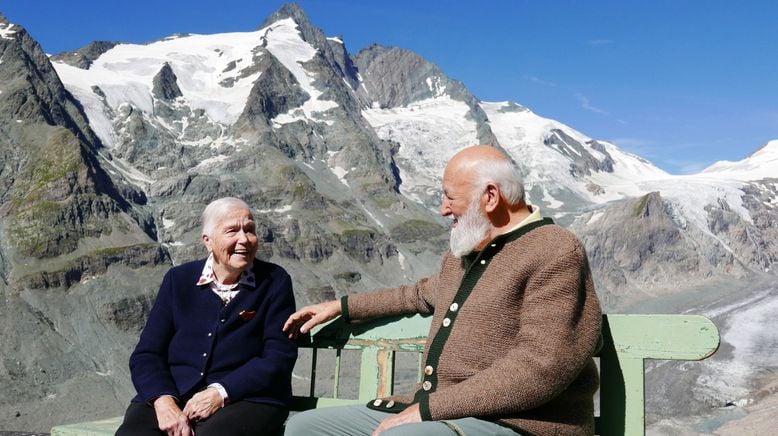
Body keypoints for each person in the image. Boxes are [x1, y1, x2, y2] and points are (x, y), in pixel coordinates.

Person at [283, 145, 602, 436]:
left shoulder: (555, 249)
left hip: (520, 424)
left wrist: (428, 410)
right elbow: (417, 295)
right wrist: (340, 306)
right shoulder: (465, 253)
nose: (443, 208)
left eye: (450, 196)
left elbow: (541, 366)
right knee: (303, 428)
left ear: (489, 196)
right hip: (444, 413)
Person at [116, 197, 297, 436]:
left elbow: (278, 357)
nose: (244, 239)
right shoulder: (178, 280)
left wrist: (220, 392)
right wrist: (163, 401)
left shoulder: (274, 281)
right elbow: (147, 353)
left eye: (250, 230)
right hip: (175, 393)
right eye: (232, 231)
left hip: (249, 397)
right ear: (208, 241)